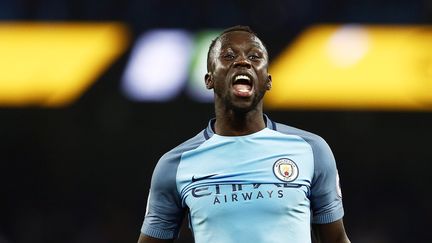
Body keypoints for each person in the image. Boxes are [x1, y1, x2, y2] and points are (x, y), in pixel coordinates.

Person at [138, 25, 350, 243]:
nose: (243, 61)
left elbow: (337, 239)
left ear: (267, 81)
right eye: (228, 56)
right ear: (209, 80)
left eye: (254, 56)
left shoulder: (312, 150)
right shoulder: (174, 165)